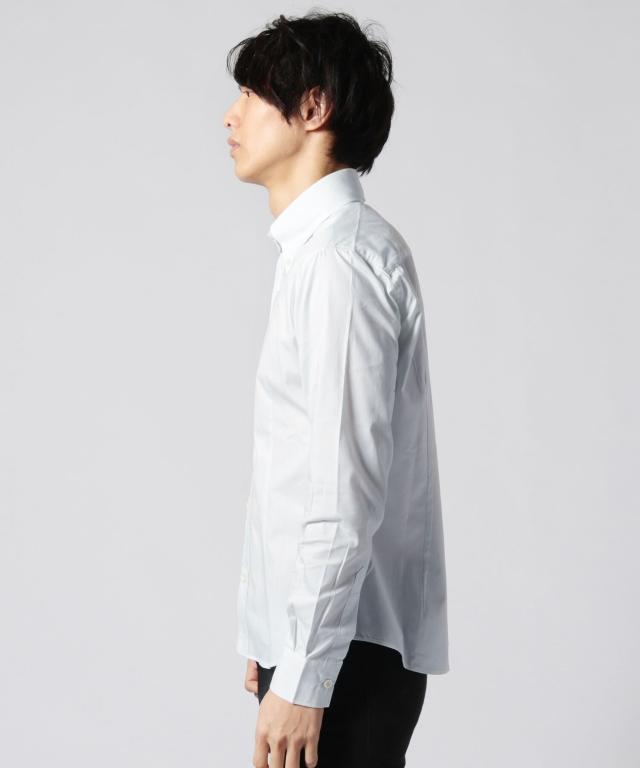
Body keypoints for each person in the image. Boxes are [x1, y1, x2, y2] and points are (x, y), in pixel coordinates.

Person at [222, 11, 449, 768]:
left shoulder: (340, 261)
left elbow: (344, 489)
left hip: (343, 659)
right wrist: (272, 634)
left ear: (313, 107)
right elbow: (299, 471)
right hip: (325, 648)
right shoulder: (319, 253)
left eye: (252, 94)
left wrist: (304, 671)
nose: (231, 116)